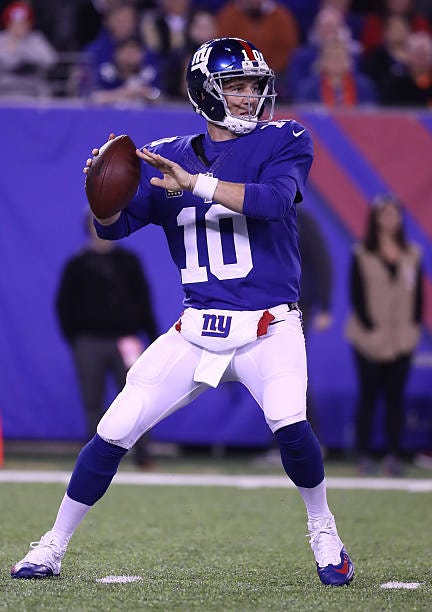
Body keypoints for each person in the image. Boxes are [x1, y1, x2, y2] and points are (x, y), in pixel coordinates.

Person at [11, 37, 354, 586]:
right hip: (196, 329)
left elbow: (272, 200)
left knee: (290, 424)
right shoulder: (169, 151)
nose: (249, 97)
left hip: (269, 324)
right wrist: (100, 194)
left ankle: (324, 529)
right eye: (235, 86)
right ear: (206, 92)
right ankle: (52, 544)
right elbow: (115, 226)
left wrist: (197, 184)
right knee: (114, 426)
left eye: (252, 86)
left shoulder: (284, 138)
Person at [56, 211, 159, 468]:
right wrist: (77, 340)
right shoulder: (77, 264)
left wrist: (152, 335)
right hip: (89, 343)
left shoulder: (128, 261)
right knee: (93, 401)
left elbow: (143, 300)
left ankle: (143, 454)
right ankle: (94, 460)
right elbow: (64, 305)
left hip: (126, 341)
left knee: (136, 399)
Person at [345, 194, 423, 476]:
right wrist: (370, 327)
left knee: (395, 398)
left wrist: (412, 328)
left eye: (394, 214)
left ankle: (393, 455)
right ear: (375, 218)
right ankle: (363, 455)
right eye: (384, 214)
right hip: (368, 338)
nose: (390, 219)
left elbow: (418, 299)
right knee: (368, 395)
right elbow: (356, 294)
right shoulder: (362, 253)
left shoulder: (412, 254)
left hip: (402, 337)